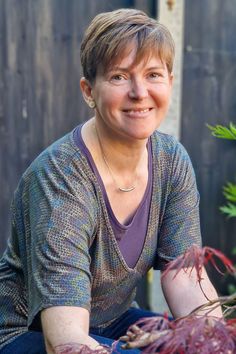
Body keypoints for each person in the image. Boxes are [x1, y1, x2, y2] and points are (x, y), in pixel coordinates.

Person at [0, 8, 222, 354]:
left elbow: (185, 277)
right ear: (89, 91)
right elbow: (66, 342)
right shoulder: (60, 177)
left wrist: (208, 340)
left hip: (113, 320)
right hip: (27, 332)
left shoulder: (171, 160)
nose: (139, 92)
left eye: (153, 74)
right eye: (119, 77)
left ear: (170, 82)